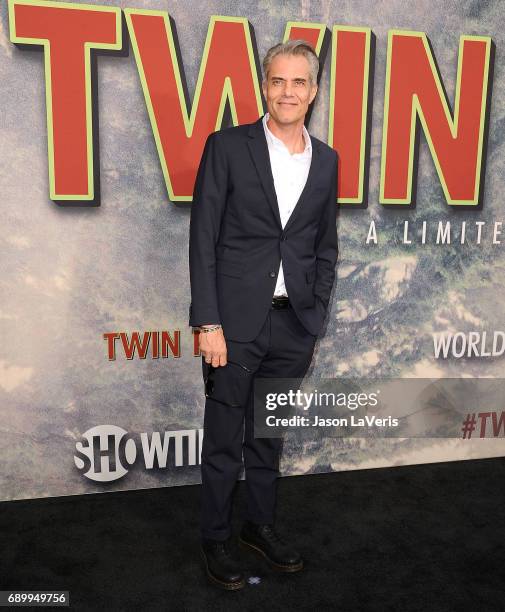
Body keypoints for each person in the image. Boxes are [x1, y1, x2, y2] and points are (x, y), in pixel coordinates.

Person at [188, 39, 338, 590]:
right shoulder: (227, 147)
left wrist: (314, 316)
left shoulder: (327, 161)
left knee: (268, 437)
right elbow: (202, 239)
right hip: (232, 324)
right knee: (225, 436)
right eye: (278, 81)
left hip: (293, 325)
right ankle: (217, 537)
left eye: (299, 82)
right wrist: (208, 323)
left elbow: (325, 246)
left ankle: (259, 524)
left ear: (313, 91)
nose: (288, 91)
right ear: (264, 87)